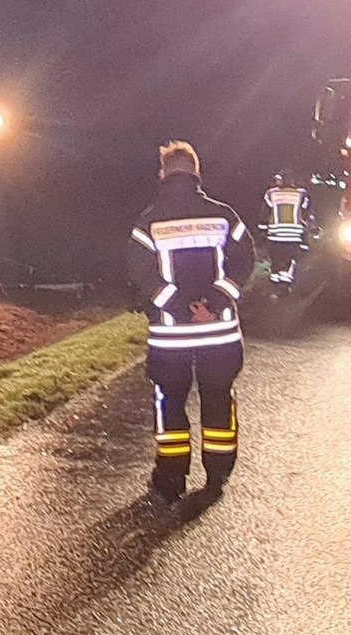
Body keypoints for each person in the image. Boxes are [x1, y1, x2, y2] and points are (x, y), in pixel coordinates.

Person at [128, 141, 256, 503]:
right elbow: (244, 262)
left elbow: (140, 273)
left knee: (170, 403)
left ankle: (170, 480)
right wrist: (215, 303)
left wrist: (181, 309)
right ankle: (216, 476)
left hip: (171, 336)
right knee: (218, 400)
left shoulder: (148, 221)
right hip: (220, 332)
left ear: (163, 174)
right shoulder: (224, 215)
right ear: (196, 173)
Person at [260, 171, 314, 284]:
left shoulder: (271, 193)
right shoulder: (301, 194)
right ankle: (284, 285)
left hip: (275, 235)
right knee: (289, 260)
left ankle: (274, 281)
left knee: (276, 260)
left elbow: (266, 211)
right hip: (293, 234)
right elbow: (305, 210)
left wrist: (262, 229)